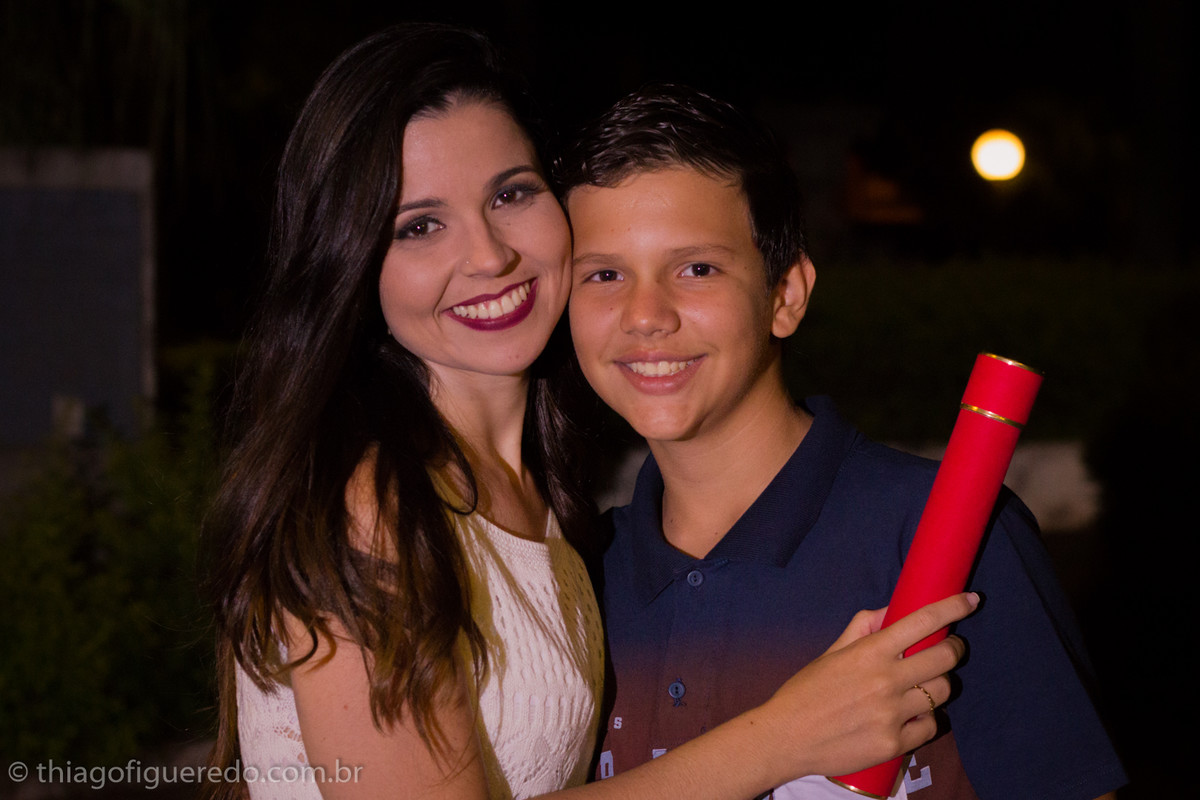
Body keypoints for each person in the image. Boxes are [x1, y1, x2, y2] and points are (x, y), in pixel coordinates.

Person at [202, 25, 977, 800]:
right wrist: (780, 739)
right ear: (352, 262)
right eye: (420, 226)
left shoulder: (553, 513)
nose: (490, 256)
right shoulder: (371, 508)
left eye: (510, 194)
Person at [558, 84, 1127, 800]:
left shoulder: (946, 530)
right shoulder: (576, 573)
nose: (644, 316)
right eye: (604, 275)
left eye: (696, 268)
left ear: (787, 294)